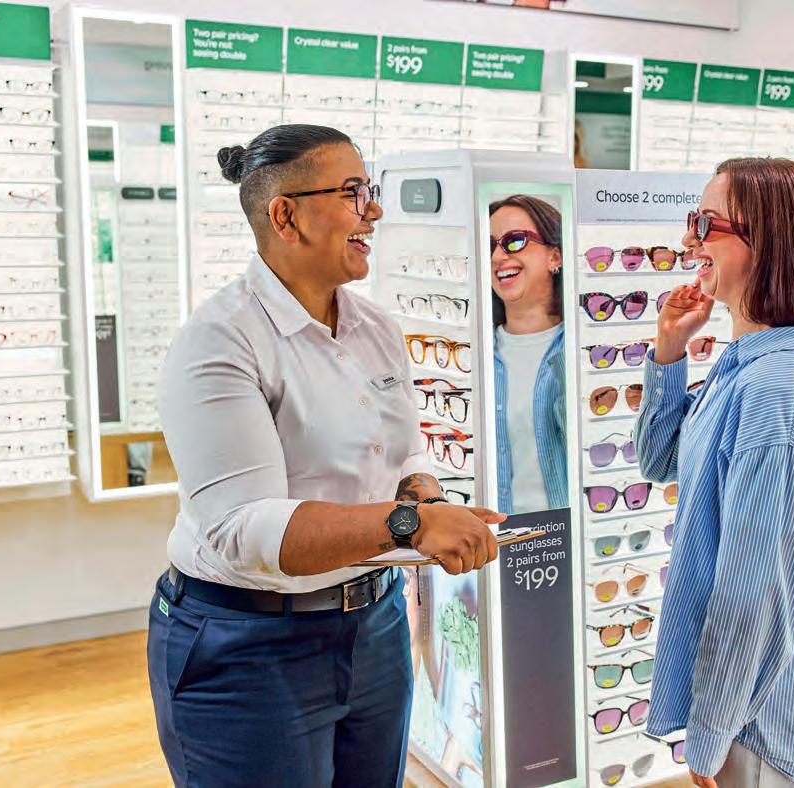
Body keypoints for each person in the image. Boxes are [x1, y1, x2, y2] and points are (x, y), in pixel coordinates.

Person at [147, 124, 504, 788]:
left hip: (374, 625)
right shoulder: (219, 341)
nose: (375, 210)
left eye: (370, 190)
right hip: (249, 646)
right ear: (286, 216)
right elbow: (243, 529)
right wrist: (412, 525)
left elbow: (403, 454)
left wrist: (427, 499)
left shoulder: (376, 328)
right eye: (353, 192)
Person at [634, 158, 794, 787]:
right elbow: (661, 461)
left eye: (705, 223)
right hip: (756, 707)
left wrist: (711, 734)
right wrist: (669, 351)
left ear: (768, 243)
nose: (688, 238)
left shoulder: (780, 391)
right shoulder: (750, 368)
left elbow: (757, 592)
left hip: (767, 720)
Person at [489, 195, 568, 514]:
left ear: (554, 256)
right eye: (490, 246)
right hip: (492, 540)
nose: (498, 256)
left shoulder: (588, 352)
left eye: (515, 241)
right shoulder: (469, 358)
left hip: (564, 538)